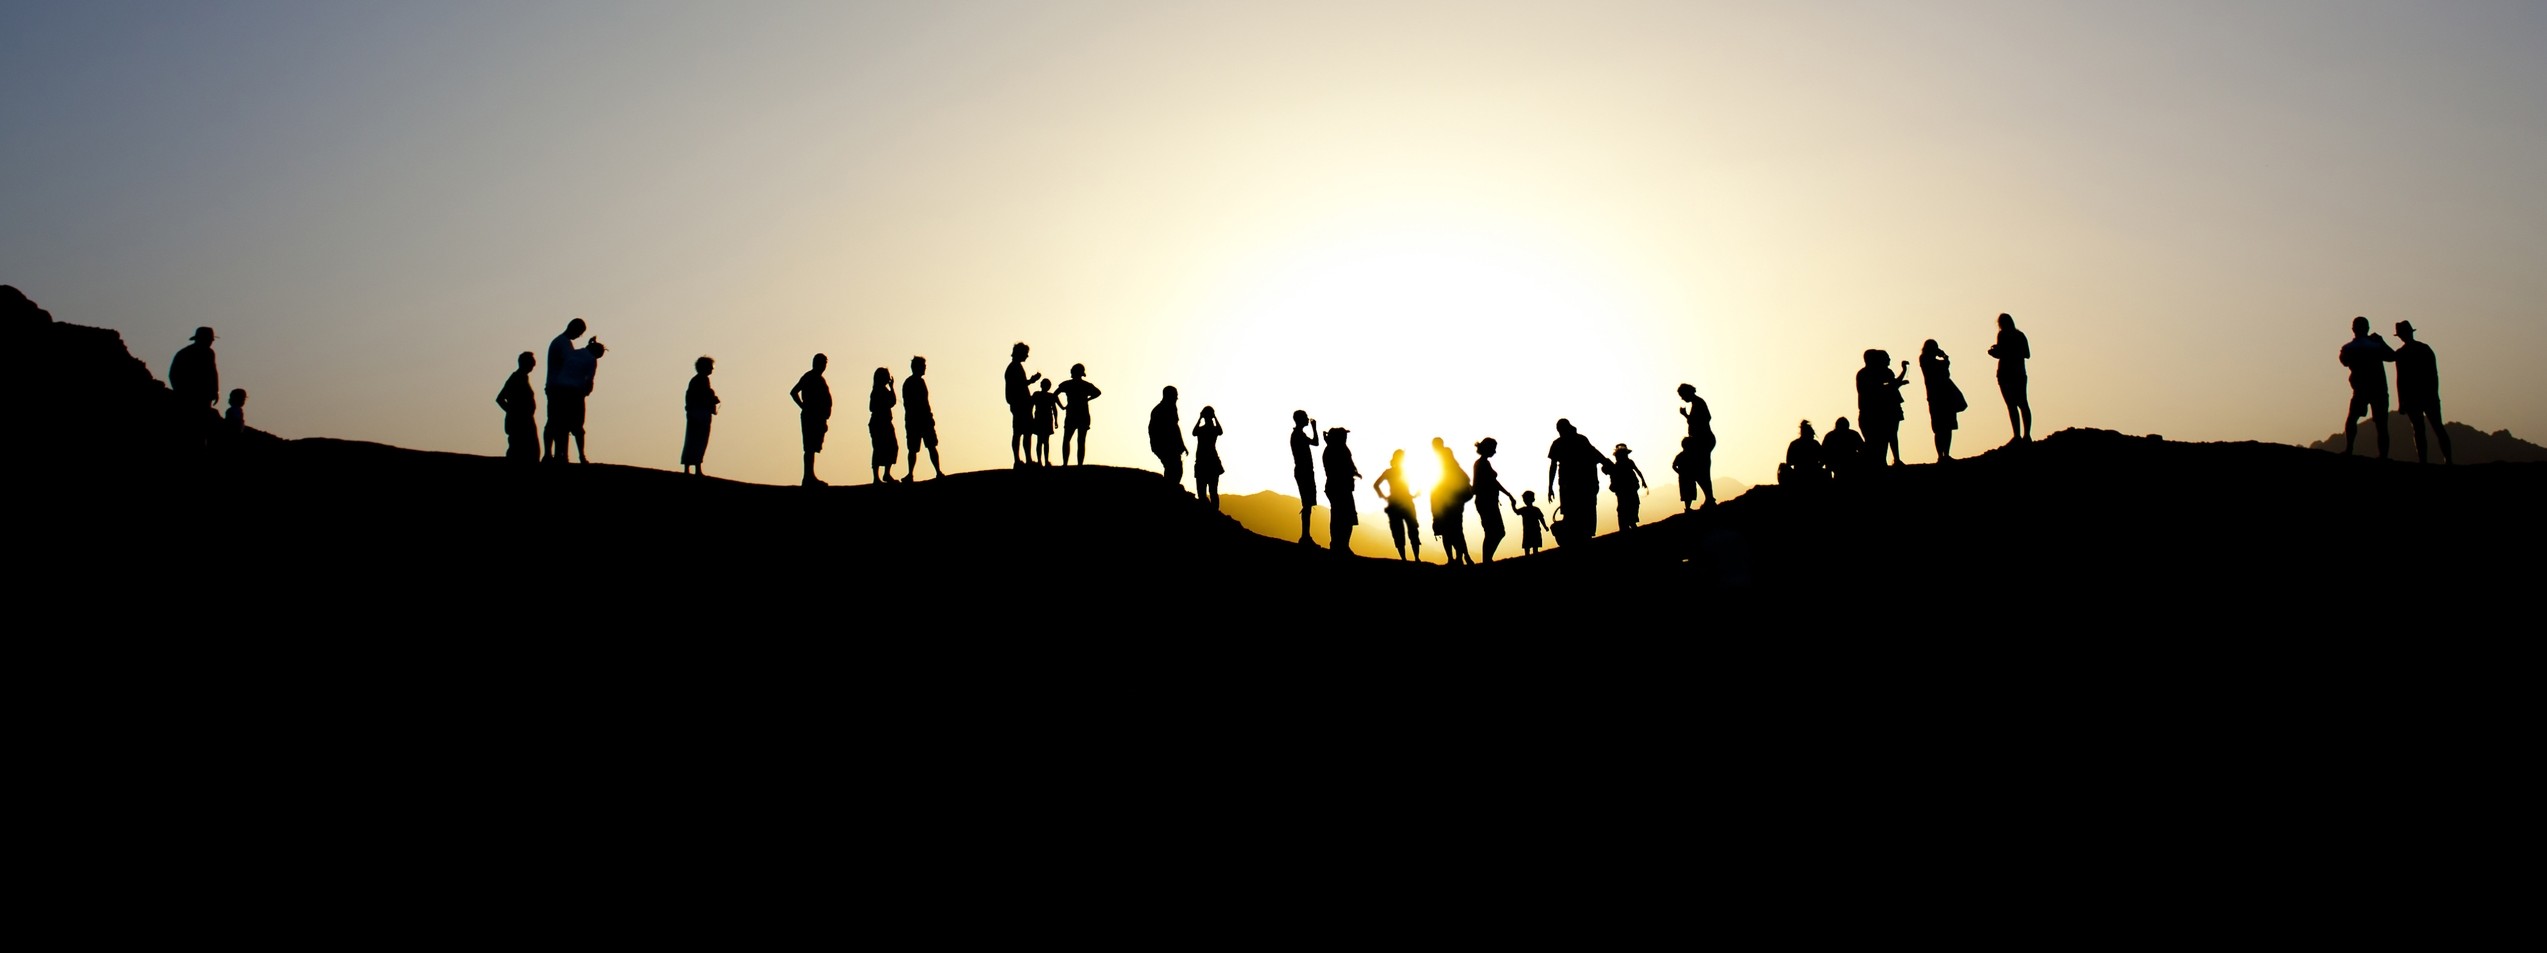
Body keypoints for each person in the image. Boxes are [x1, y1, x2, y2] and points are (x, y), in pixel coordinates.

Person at [2391, 321, 2452, 465]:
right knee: (2436, 427)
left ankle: (2424, 461)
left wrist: (2401, 401)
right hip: (2427, 395)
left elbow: (2401, 379)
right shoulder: (2424, 349)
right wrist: (2434, 393)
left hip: (2413, 397)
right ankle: (2447, 460)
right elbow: (2433, 374)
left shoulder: (2402, 353)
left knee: (2420, 429)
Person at [1544, 418, 1609, 546]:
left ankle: (1582, 538)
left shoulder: (1572, 441)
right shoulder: (1570, 441)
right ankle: (1581, 538)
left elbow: (1594, 453)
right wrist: (1550, 486)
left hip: (1580, 483)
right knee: (1577, 512)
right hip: (1574, 485)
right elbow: (1553, 465)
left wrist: (1550, 486)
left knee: (1581, 512)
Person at [2339, 316, 2397, 459]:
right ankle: (2383, 455)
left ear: (2353, 329)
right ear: (2368, 328)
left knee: (2352, 419)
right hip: (2378, 389)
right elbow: (2392, 356)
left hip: (2361, 389)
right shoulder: (2375, 346)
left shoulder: (2349, 348)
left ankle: (2349, 449)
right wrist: (2381, 342)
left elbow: (2344, 361)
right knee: (2381, 424)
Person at [550, 337, 605, 463]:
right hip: (575, 393)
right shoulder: (591, 359)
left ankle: (561, 455)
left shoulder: (572, 353)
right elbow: (589, 380)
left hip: (559, 391)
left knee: (561, 426)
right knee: (578, 427)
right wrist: (586, 392)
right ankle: (581, 455)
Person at [1856, 349, 1910, 467]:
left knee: (1890, 435)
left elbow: (1892, 385)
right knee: (1878, 439)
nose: (1889, 360)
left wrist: (1903, 372)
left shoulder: (1885, 372)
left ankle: (1893, 460)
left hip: (1888, 409)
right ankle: (1881, 462)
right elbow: (1876, 389)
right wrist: (1894, 384)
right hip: (1873, 411)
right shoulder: (1865, 374)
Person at [541, 319, 585, 462]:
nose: (579, 336)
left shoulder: (561, 342)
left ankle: (557, 454)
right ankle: (552, 454)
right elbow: (570, 362)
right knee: (555, 422)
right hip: (558, 388)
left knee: (558, 422)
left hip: (557, 387)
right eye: (579, 333)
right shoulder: (562, 343)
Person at [1472, 437, 1521, 561]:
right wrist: (1508, 494)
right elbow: (1488, 483)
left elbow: (1493, 482)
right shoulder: (1482, 463)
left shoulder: (1483, 463)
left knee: (1494, 532)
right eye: (1493, 448)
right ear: (1487, 448)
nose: (1495, 451)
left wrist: (1508, 494)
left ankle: (1487, 559)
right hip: (1486, 502)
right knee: (1495, 532)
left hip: (1488, 502)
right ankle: (1487, 560)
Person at [169, 326, 219, 444]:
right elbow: (174, 374)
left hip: (204, 397)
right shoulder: (185, 354)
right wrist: (181, 392)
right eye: (209, 339)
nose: (210, 342)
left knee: (201, 428)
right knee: (190, 428)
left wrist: (215, 391)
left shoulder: (209, 353)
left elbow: (213, 372)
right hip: (189, 398)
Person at [1988, 314, 2032, 443]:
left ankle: (2018, 435)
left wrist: (1997, 352)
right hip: (2018, 373)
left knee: (2013, 405)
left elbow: (2003, 354)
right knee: (2022, 404)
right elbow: (2027, 354)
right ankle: (2026, 435)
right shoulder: (2020, 335)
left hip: (2007, 373)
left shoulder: (2002, 335)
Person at [1919, 339, 1966, 461]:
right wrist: (1945, 358)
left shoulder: (1927, 360)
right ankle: (1941, 455)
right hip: (1938, 397)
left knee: (1946, 427)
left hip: (1943, 397)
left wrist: (1944, 358)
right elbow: (1944, 371)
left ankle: (1945, 454)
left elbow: (1945, 372)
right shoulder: (1925, 360)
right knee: (1941, 428)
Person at [1373, 449, 1423, 561]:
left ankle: (1407, 558)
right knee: (1410, 530)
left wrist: (1384, 496)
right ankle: (1415, 558)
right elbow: (1376, 485)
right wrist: (1384, 496)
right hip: (1404, 503)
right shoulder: (1402, 471)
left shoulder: (1390, 472)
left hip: (1396, 504)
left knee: (1401, 531)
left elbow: (1376, 485)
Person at [790, 353, 832, 486]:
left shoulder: (819, 379)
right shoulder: (809, 377)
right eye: (823, 363)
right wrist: (804, 406)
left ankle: (810, 475)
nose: (824, 366)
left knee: (813, 447)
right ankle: (808, 476)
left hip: (818, 417)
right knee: (809, 447)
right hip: (811, 416)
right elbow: (793, 392)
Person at [1431, 437, 1473, 565]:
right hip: (1451, 497)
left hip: (1450, 498)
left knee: (1450, 531)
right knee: (1455, 530)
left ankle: (1458, 558)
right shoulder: (1445, 458)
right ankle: (1459, 558)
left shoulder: (1444, 455)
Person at [1676, 383, 1717, 506]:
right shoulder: (1696, 403)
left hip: (1703, 440)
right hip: (1701, 441)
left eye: (1682, 395)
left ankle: (1710, 499)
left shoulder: (1699, 402)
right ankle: (1709, 498)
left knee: (1702, 471)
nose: (1682, 398)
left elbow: (1705, 419)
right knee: (1701, 471)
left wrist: (1686, 415)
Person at [1321, 427, 1359, 556]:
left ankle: (1339, 545)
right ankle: (1341, 546)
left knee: (1340, 517)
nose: (1345, 438)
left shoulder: (1334, 449)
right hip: (1339, 488)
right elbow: (1343, 467)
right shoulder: (1337, 450)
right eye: (1343, 436)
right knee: (1344, 517)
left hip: (1337, 487)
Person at [903, 356, 942, 481]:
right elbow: (922, 403)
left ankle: (935, 471)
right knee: (919, 448)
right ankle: (912, 473)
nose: (925, 368)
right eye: (923, 366)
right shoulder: (913, 383)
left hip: (918, 420)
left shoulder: (912, 382)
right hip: (918, 420)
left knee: (925, 447)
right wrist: (928, 417)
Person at [496, 351, 538, 464]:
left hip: (525, 421)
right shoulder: (516, 378)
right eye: (531, 363)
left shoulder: (522, 377)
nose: (533, 366)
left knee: (530, 451)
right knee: (519, 452)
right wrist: (513, 412)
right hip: (519, 423)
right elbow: (500, 398)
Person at [1005, 343, 1042, 468]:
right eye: (1025, 353)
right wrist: (1032, 380)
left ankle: (1024, 460)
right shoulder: (1014, 368)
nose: (1027, 356)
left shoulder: (1015, 367)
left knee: (1023, 432)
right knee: (1022, 432)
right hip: (1020, 404)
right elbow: (1018, 386)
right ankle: (1022, 460)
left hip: (1021, 404)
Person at [1057, 364, 1101, 466]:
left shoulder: (1067, 384)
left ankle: (1065, 464)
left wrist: (1062, 407)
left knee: (1067, 439)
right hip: (1083, 414)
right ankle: (1079, 465)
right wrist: (1088, 399)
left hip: (1072, 414)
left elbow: (1055, 395)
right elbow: (1098, 392)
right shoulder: (1086, 385)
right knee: (1081, 441)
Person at [681, 356, 718, 476]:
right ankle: (694, 468)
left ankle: (692, 467)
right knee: (697, 440)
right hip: (699, 414)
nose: (712, 370)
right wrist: (712, 399)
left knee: (695, 440)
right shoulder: (700, 380)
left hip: (697, 413)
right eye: (710, 367)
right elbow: (702, 396)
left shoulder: (698, 380)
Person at [1290, 410, 1320, 544]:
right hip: (1304, 472)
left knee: (1307, 504)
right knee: (1307, 505)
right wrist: (1314, 428)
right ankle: (1305, 537)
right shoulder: (1298, 435)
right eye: (1305, 417)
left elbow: (1315, 443)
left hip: (1304, 471)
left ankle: (1306, 536)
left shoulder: (1298, 434)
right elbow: (1316, 442)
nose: (1308, 419)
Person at [1604, 443, 1648, 530]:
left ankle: (1630, 522)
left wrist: (1643, 481)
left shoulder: (1628, 462)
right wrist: (1643, 481)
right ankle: (1629, 523)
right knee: (1627, 505)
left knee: (1633, 504)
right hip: (1624, 489)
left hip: (1630, 488)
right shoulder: (1617, 466)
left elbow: (1637, 471)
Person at [1149, 386, 1186, 485]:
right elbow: (1173, 428)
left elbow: (1175, 428)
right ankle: (1169, 489)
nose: (1177, 398)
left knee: (1174, 468)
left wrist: (1181, 445)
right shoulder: (1164, 409)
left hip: (1165, 445)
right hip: (1164, 445)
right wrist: (1179, 445)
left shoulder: (1168, 408)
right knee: (1174, 468)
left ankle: (1169, 487)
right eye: (1175, 396)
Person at [868, 366, 899, 483]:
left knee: (892, 446)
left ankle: (886, 474)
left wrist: (892, 388)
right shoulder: (877, 391)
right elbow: (872, 407)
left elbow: (893, 402)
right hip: (878, 423)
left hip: (885, 422)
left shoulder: (884, 390)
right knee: (878, 448)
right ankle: (876, 477)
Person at [1192, 405, 1225, 507]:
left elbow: (1194, 432)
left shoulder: (1203, 430)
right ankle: (1212, 511)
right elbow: (1220, 431)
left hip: (1204, 462)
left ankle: (1209, 510)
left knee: (1203, 491)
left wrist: (1200, 418)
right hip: (1210, 462)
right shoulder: (1212, 430)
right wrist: (1214, 417)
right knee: (1212, 491)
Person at [1777, 420, 1824, 485]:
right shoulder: (1815, 444)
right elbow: (1823, 459)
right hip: (1810, 475)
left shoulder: (1794, 444)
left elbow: (1789, 462)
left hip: (1800, 474)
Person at [1822, 417, 1867, 481]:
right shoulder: (1853, 434)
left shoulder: (1830, 436)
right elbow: (1824, 454)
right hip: (1840, 466)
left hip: (1850, 465)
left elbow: (1862, 450)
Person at [1030, 379, 1061, 466]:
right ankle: (1045, 461)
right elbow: (1055, 409)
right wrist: (1056, 421)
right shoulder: (1049, 396)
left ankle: (1041, 461)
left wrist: (1056, 421)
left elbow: (1031, 406)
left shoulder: (1037, 395)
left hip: (1041, 419)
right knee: (1045, 441)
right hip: (1045, 419)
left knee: (1040, 441)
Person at [1514, 490, 1551, 555]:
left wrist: (1513, 505)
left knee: (1530, 547)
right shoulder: (1534, 509)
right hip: (1532, 531)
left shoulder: (1526, 509)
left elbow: (1541, 518)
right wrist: (1545, 527)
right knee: (1532, 547)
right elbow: (1541, 518)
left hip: (1531, 531)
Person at [1672, 437, 1701, 513]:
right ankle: (1687, 508)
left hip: (1688, 477)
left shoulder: (1687, 455)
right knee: (1687, 492)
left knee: (1689, 492)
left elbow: (1674, 466)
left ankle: (1688, 508)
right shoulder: (1684, 455)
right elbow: (1674, 466)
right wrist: (1680, 472)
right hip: (1685, 477)